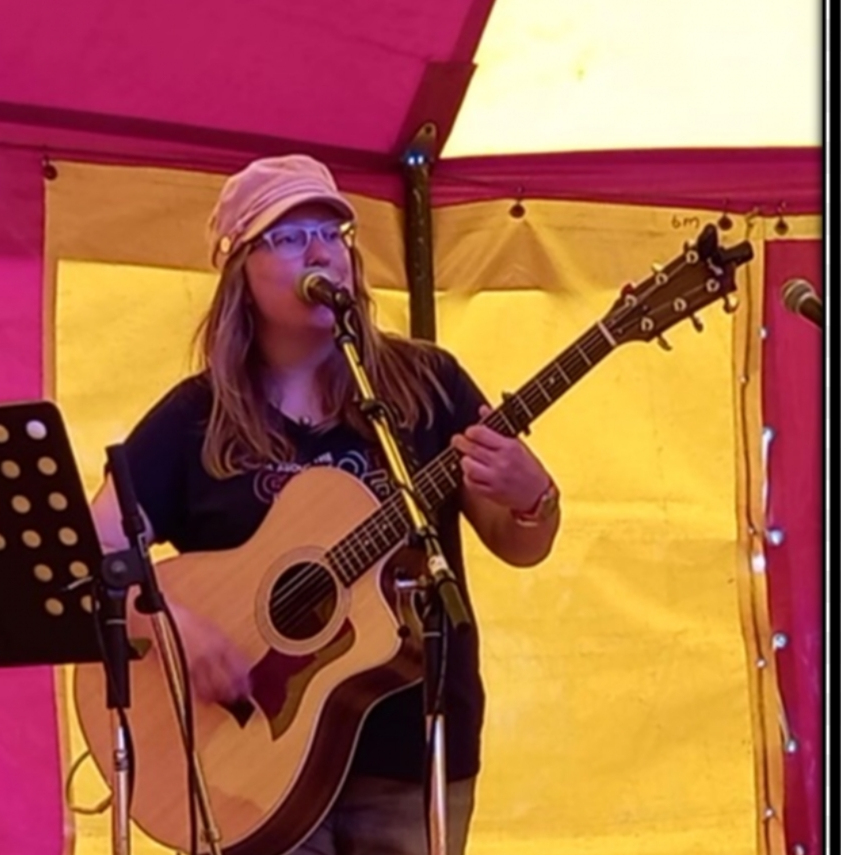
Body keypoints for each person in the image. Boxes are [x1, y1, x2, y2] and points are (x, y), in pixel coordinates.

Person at [89, 154, 562, 855]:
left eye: (331, 233)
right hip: (249, 765)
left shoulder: (429, 384)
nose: (318, 252)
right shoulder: (197, 416)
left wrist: (534, 498)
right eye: (287, 236)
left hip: (411, 750)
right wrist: (171, 625)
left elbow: (521, 543)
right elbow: (91, 553)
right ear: (240, 272)